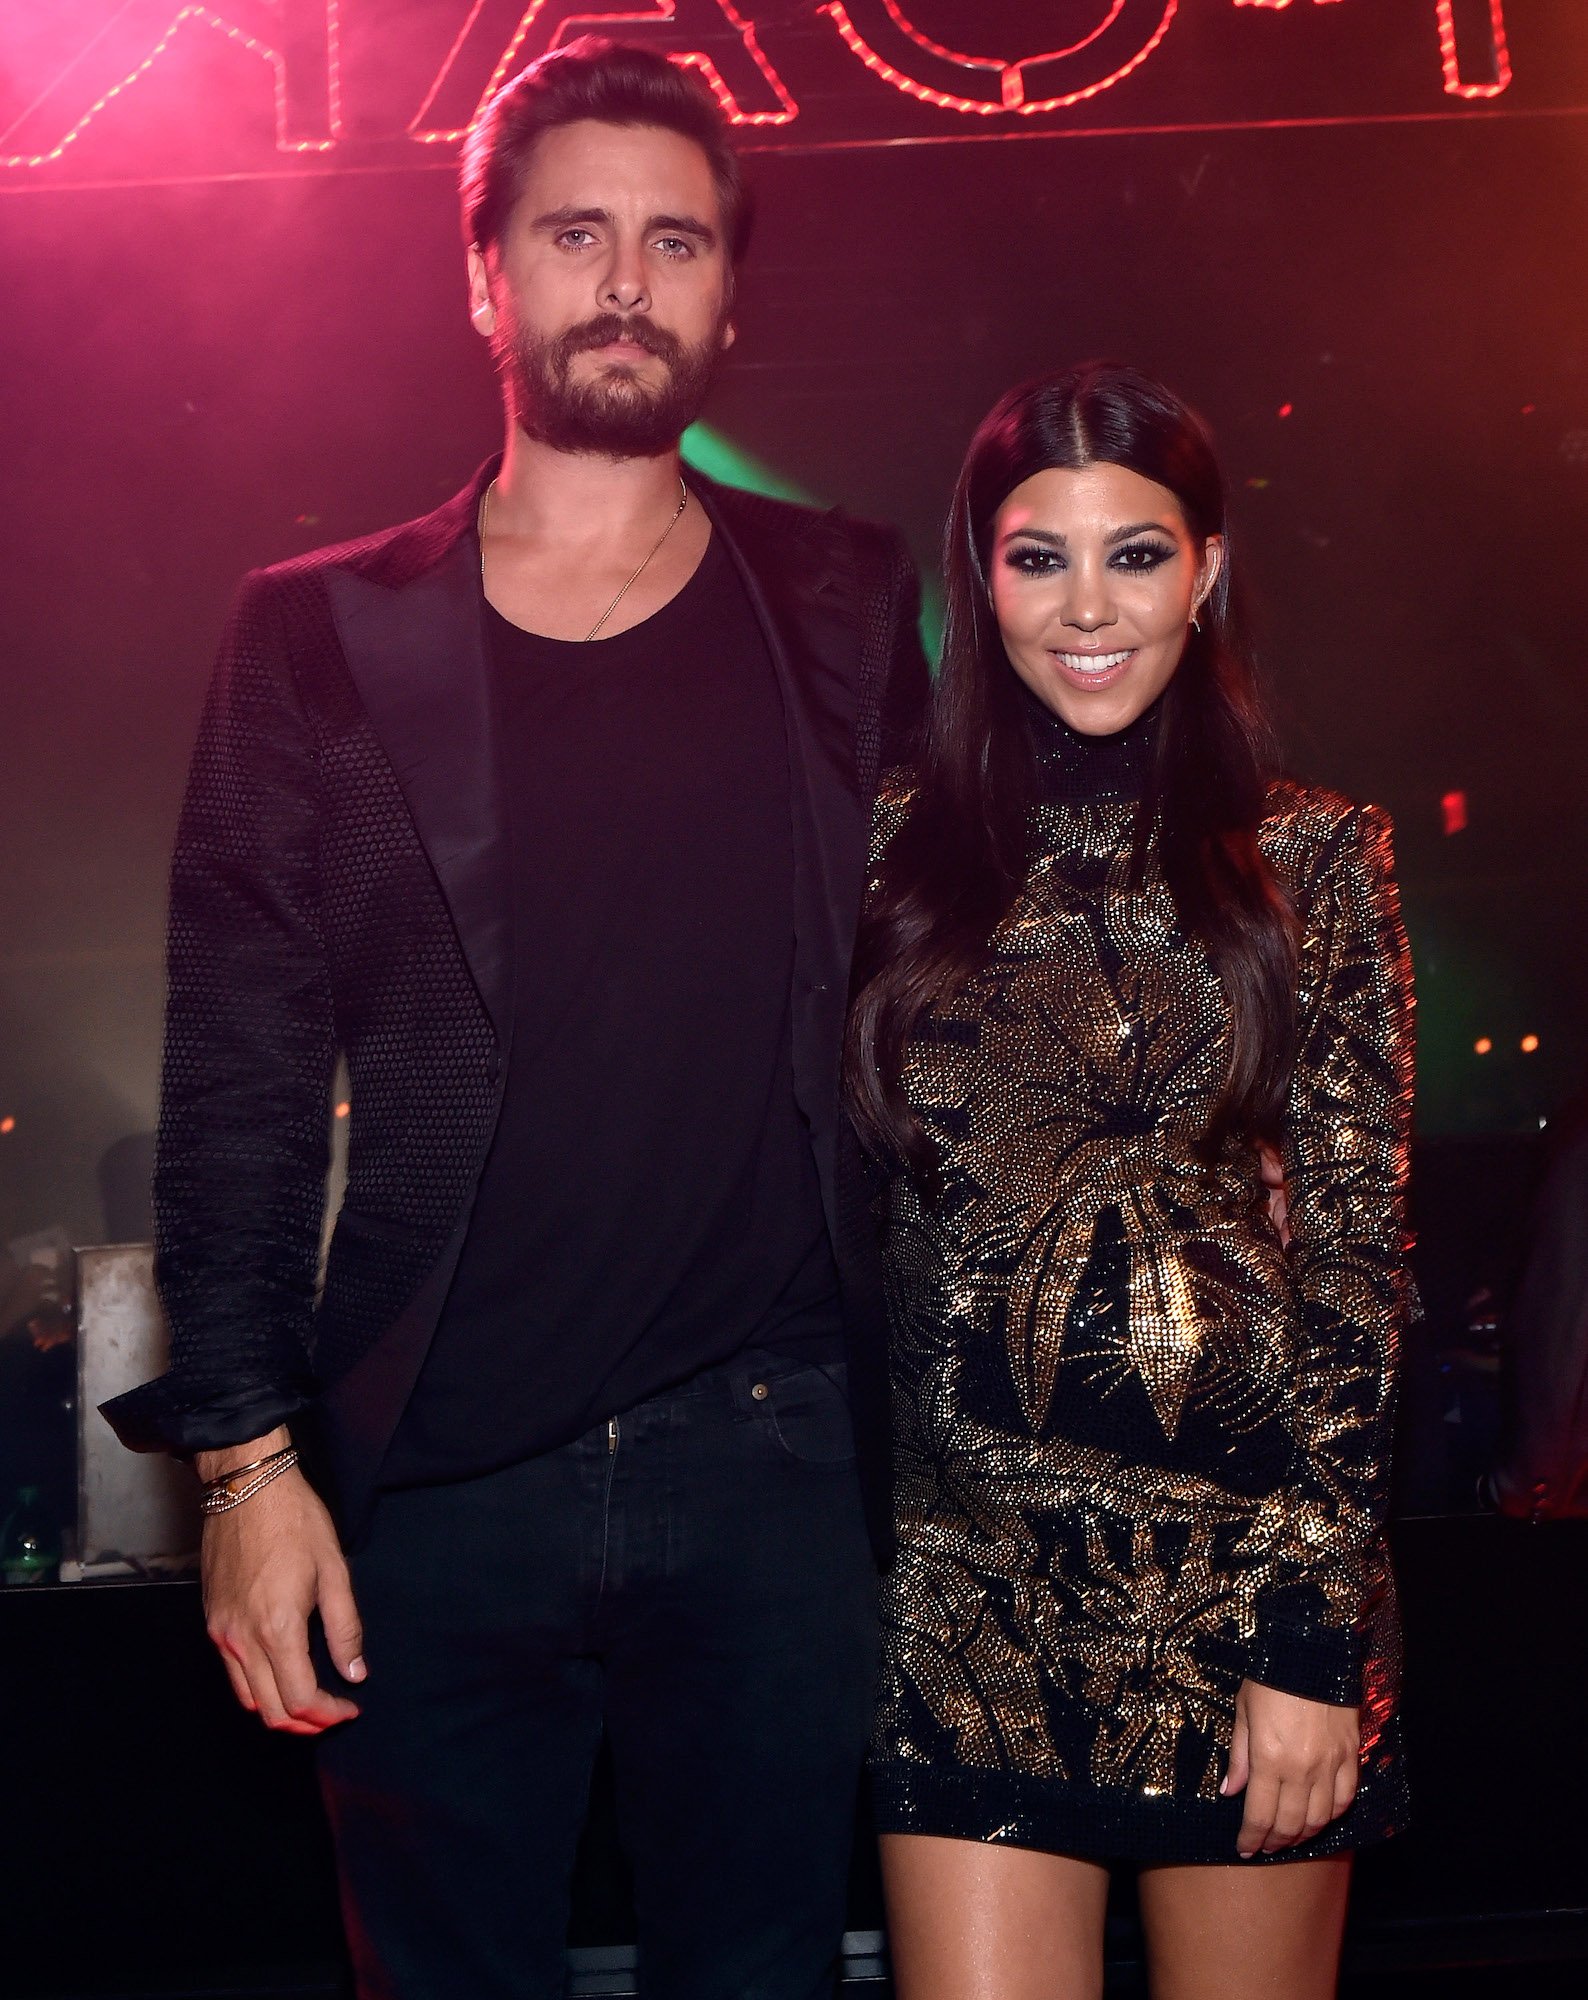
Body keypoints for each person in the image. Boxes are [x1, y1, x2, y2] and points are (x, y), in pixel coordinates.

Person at [103, 40, 927, 2000]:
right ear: (484, 273)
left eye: (673, 240)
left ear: (728, 290)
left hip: (774, 1463)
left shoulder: (840, 598)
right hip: (436, 1481)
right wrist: (243, 1467)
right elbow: (233, 1061)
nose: (625, 282)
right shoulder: (310, 633)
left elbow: (942, 1003)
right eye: (576, 234)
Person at [846, 363, 1414, 1999]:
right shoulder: (879, 861)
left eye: (1137, 554)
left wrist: (1311, 1639)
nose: (1086, 608)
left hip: (1249, 1615)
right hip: (965, 1607)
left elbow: (1359, 1268)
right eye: (1039, 558)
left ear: (1209, 569)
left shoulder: (1316, 857)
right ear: (982, 572)